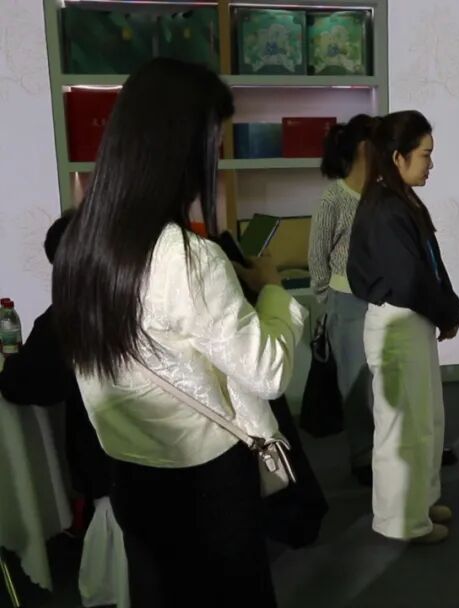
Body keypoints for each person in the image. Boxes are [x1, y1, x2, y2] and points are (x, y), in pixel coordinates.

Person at [52, 58, 306, 607]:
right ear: (180, 145)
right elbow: (269, 371)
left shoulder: (80, 244)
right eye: (213, 141)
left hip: (129, 471)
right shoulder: (186, 257)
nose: (214, 155)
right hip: (205, 479)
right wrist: (273, 292)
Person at [347, 110, 459, 545]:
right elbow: (409, 279)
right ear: (398, 157)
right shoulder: (385, 206)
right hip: (398, 323)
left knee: (425, 420)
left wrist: (449, 309)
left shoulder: (400, 199)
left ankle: (421, 504)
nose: (431, 164)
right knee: (403, 429)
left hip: (412, 322)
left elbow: (430, 266)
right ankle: (401, 522)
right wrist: (447, 313)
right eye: (425, 154)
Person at [0, 214, 112, 530]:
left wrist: (11, 361)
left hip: (112, 471)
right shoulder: (141, 291)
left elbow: (22, 385)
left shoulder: (68, 317)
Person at [309, 113, 377, 485]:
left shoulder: (381, 193)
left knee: (384, 382)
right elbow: (317, 257)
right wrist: (328, 299)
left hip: (382, 301)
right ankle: (362, 456)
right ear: (363, 148)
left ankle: (390, 450)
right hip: (347, 301)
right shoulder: (334, 198)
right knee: (354, 385)